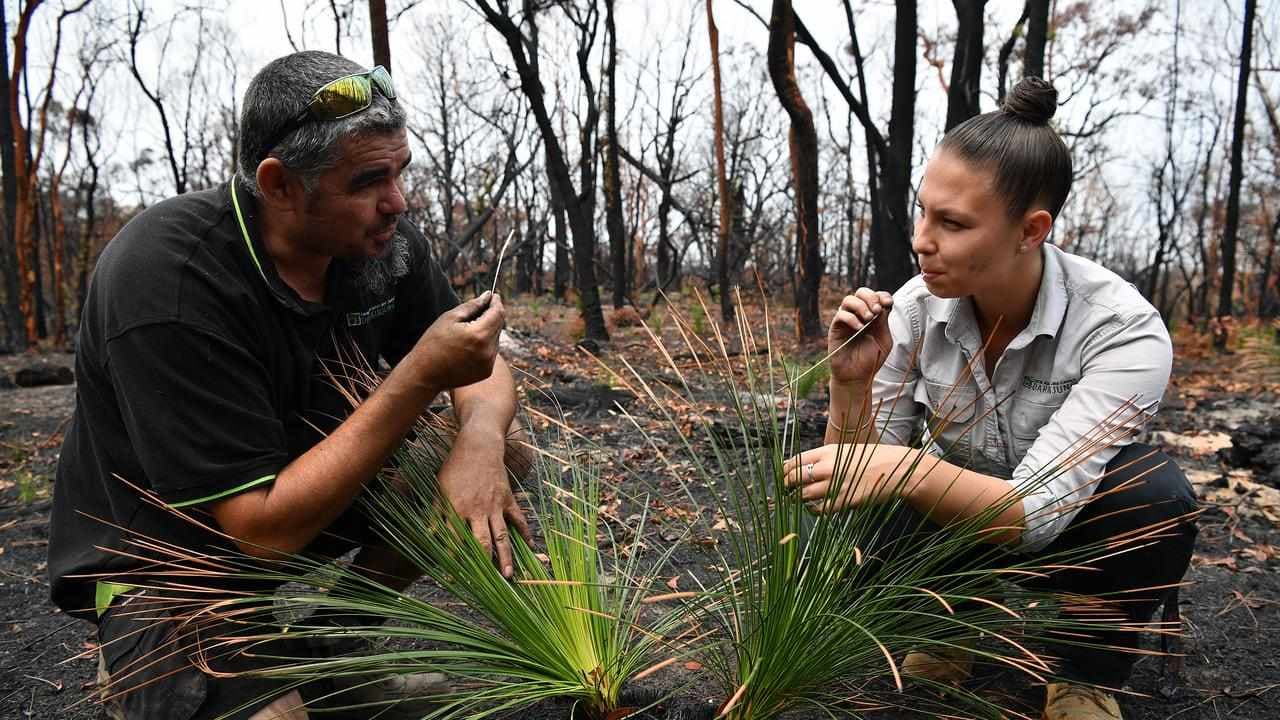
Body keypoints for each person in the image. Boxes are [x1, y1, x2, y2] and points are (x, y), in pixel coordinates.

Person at [48, 51, 533, 720]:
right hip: (179, 564)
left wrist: (479, 439)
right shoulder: (170, 279)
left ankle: (329, 652)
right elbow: (259, 531)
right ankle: (152, 669)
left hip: (304, 501)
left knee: (506, 447)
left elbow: (484, 371)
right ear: (278, 184)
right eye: (369, 180)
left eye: (400, 172)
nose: (398, 202)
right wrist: (419, 374)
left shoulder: (378, 242)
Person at [783, 77, 1198, 720]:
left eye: (952, 223)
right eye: (924, 212)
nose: (922, 239)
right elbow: (851, 488)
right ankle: (950, 625)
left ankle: (1085, 669)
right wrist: (850, 382)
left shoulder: (1121, 329)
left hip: (1065, 532)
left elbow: (1036, 516)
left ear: (1031, 230)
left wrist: (907, 469)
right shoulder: (913, 312)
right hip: (960, 523)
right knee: (877, 489)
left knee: (1154, 495)